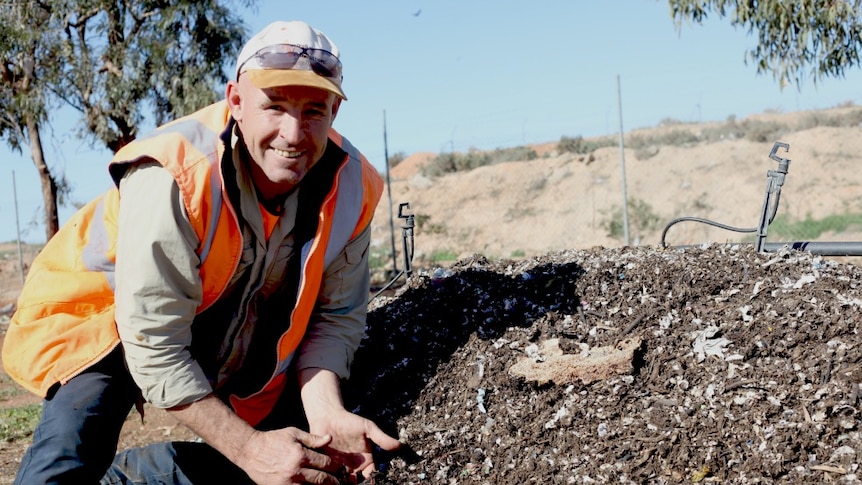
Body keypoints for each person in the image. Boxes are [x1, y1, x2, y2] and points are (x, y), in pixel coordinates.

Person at [2, 19, 400, 484]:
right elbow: (152, 340)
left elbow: (333, 318)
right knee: (72, 448)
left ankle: (133, 478)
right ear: (236, 101)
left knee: (281, 465)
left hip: (217, 321)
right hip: (100, 319)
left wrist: (326, 410)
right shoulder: (176, 173)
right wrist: (249, 448)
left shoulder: (354, 185)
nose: (293, 133)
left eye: (314, 110)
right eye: (274, 107)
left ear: (334, 111)